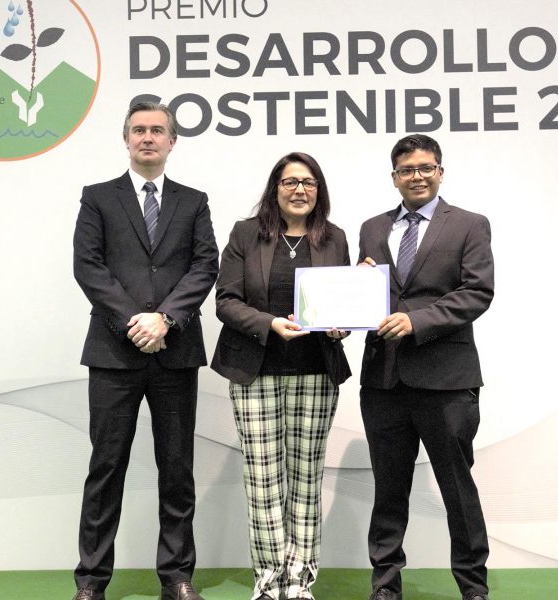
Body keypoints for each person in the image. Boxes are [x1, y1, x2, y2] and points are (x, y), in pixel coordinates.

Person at [71, 101, 219, 600]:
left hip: (175, 353)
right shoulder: (98, 197)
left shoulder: (193, 201)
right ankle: (91, 581)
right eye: (139, 130)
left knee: (176, 468)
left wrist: (165, 319)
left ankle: (176, 577)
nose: (148, 137)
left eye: (158, 130)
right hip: (114, 353)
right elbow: (88, 266)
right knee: (106, 468)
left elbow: (205, 266)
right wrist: (135, 321)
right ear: (126, 139)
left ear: (172, 142)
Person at [357, 134, 494, 600]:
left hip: (447, 380)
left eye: (425, 168)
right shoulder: (372, 228)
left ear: (440, 172)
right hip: (384, 379)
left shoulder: (470, 225)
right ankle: (385, 585)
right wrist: (351, 298)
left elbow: (477, 292)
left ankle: (473, 587)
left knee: (458, 489)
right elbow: (367, 296)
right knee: (388, 490)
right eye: (406, 170)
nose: (416, 176)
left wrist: (417, 321)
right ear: (394, 178)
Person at [211, 152, 351, 600]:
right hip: (255, 372)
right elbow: (226, 301)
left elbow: (344, 305)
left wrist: (341, 324)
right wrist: (269, 323)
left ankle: (300, 581)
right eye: (290, 182)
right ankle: (269, 581)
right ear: (275, 188)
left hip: (316, 372)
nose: (299, 190)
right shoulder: (246, 233)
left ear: (318, 190)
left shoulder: (334, 238)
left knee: (307, 478)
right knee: (263, 480)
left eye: (308, 182)